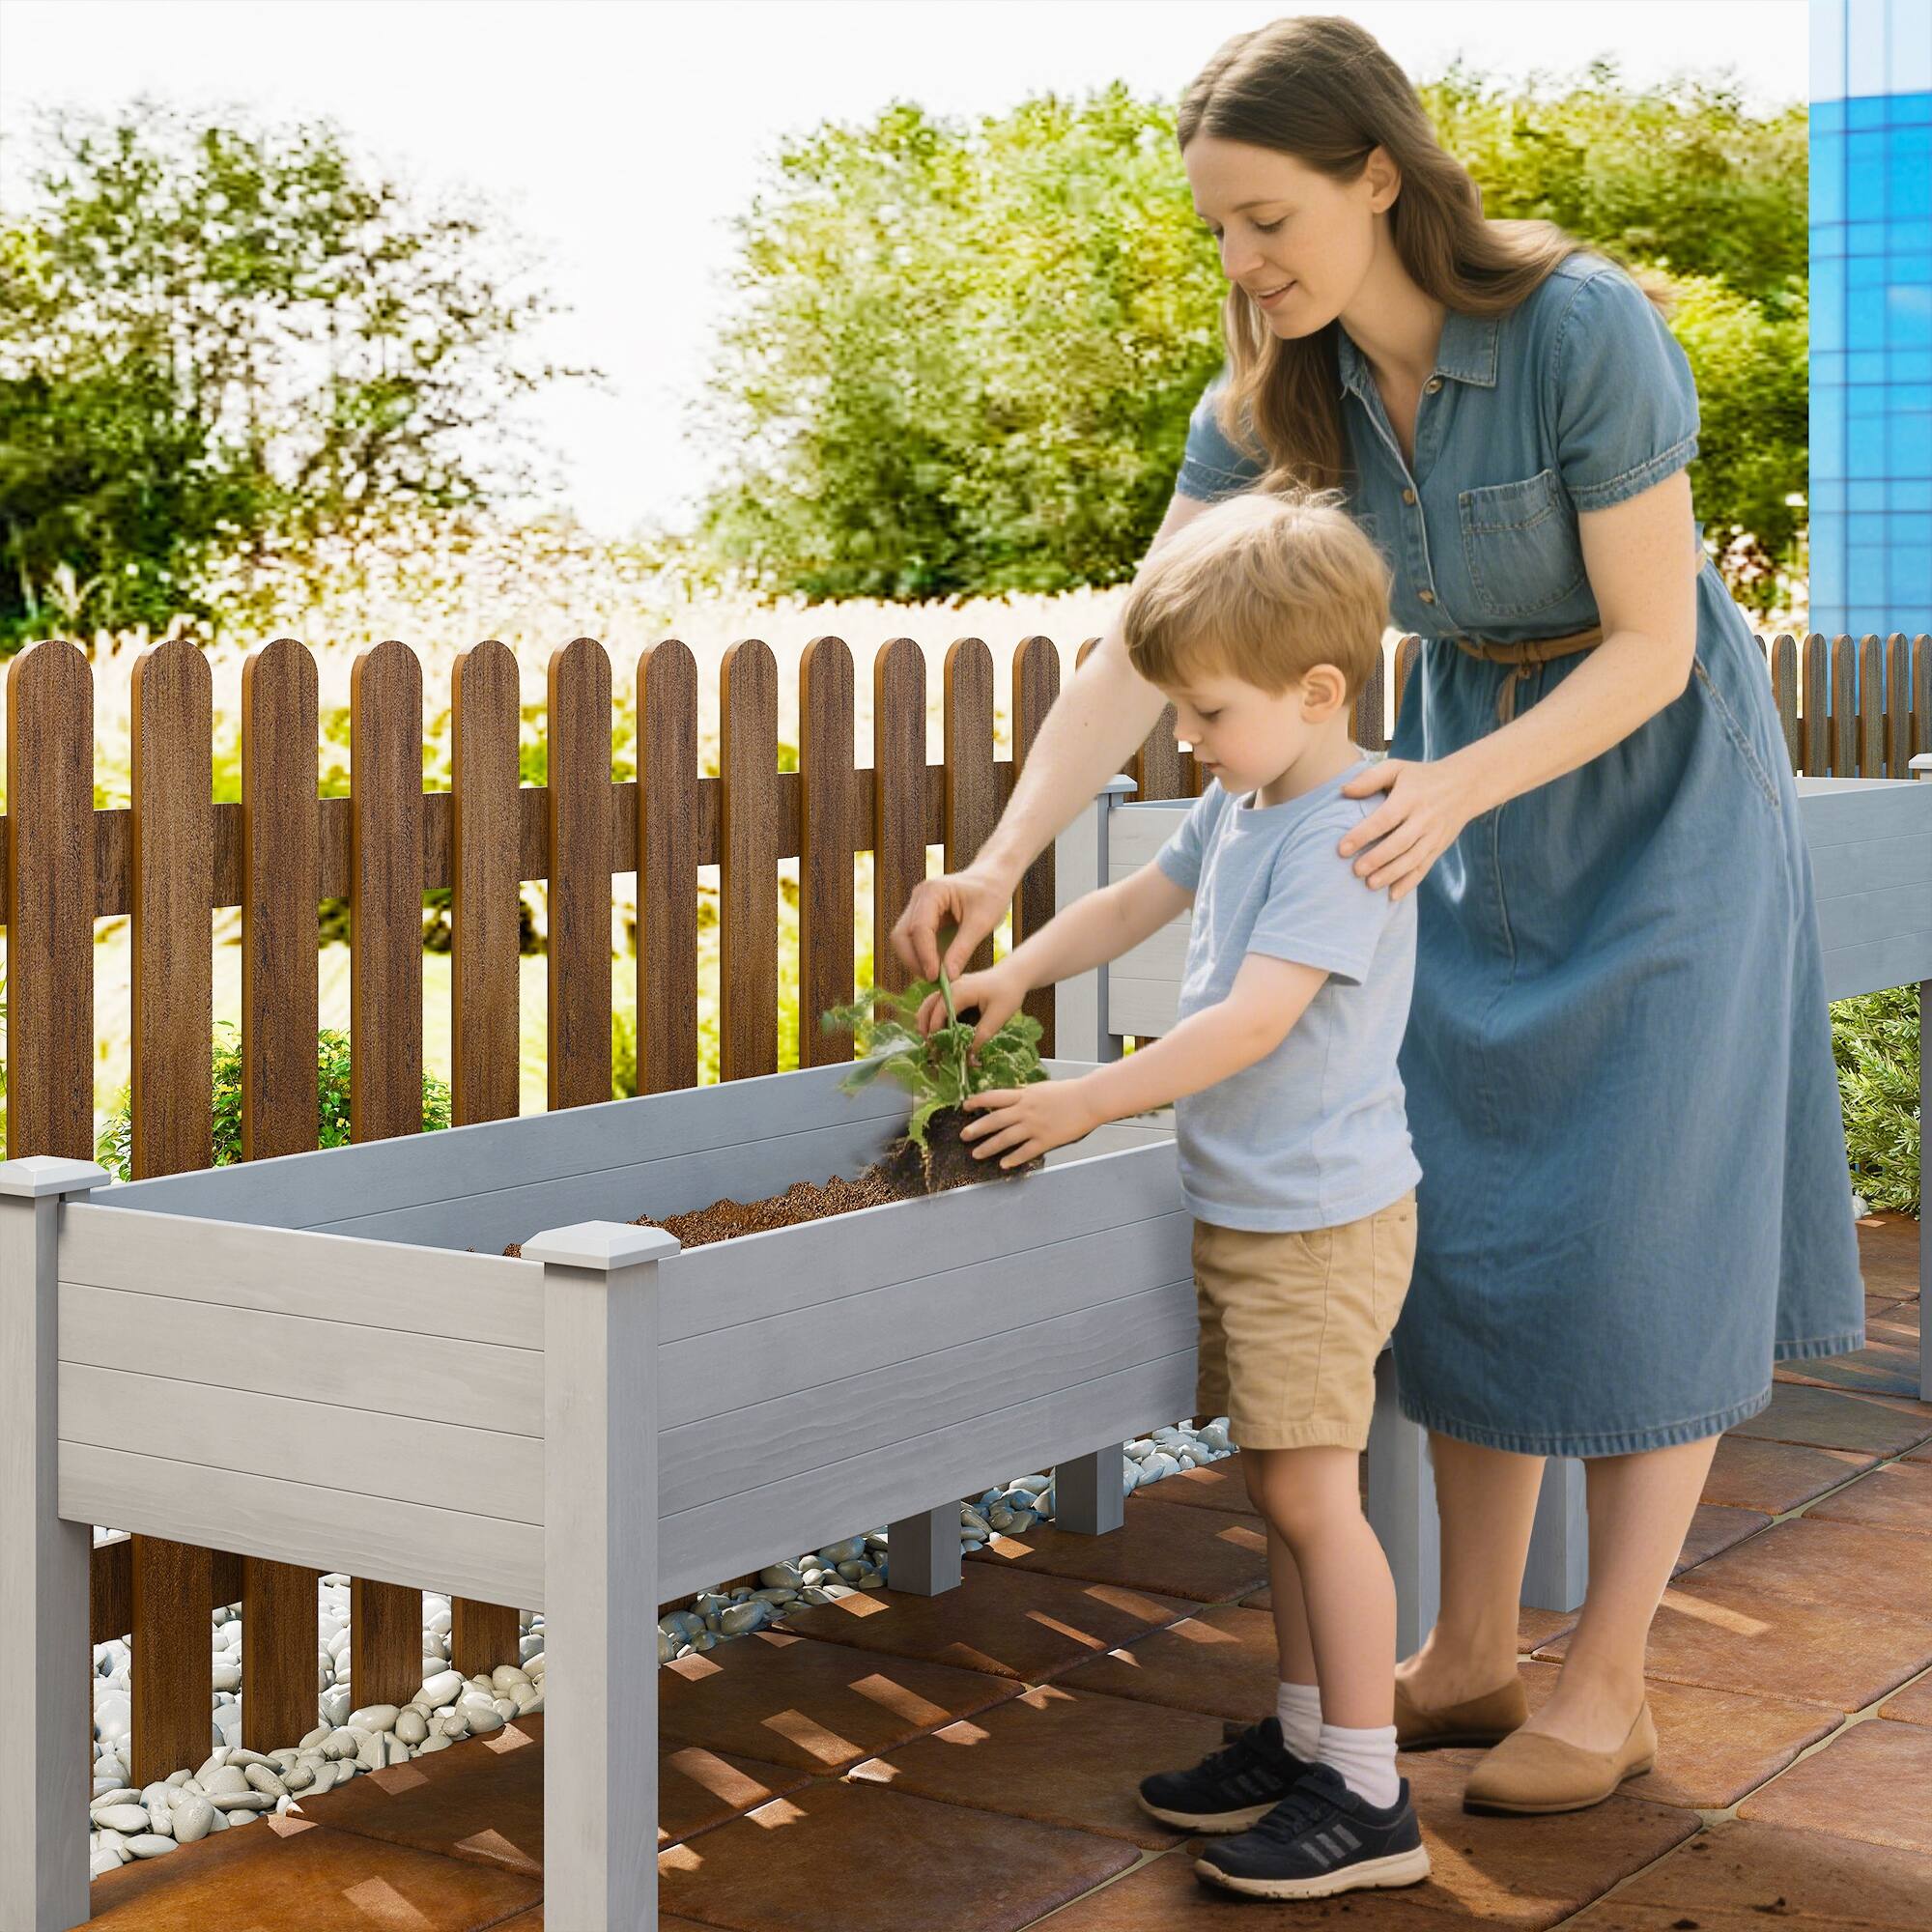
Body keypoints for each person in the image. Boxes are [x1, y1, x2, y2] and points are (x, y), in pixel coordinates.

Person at [893, 13, 1863, 1822]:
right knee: (1472, 1203)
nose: (1245, 264)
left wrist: (1455, 789)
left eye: (1268, 219)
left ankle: (1610, 1682)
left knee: (1639, 1220)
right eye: (1220, 231)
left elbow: (1654, 643)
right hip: (1455, 777)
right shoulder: (1275, 397)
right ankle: (1473, 1652)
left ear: (1377, 175)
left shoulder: (1579, 328)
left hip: (1646, 776)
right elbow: (1141, 642)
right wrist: (1006, 860)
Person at [925, 488, 1432, 1902]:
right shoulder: (1247, 799)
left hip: (1319, 1220)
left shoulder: (1344, 833)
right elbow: (1135, 903)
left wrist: (1088, 1098)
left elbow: (1252, 1023)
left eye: (1207, 712)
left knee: (1314, 1498)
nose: (1188, 739)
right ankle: (1309, 1739)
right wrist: (1021, 969)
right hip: (1258, 1204)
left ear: (1316, 690)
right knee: (1282, 1488)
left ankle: (1370, 1795)